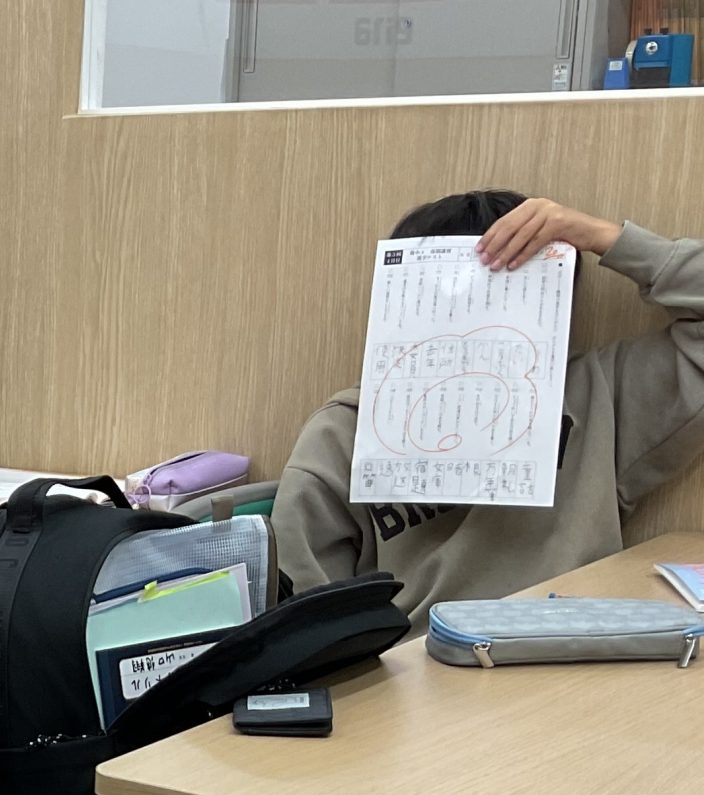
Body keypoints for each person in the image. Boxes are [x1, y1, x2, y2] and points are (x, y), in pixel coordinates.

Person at [274, 192, 704, 623]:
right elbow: (305, 622)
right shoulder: (342, 435)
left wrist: (603, 237)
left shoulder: (598, 396)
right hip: (413, 658)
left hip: (567, 647)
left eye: (512, 292)